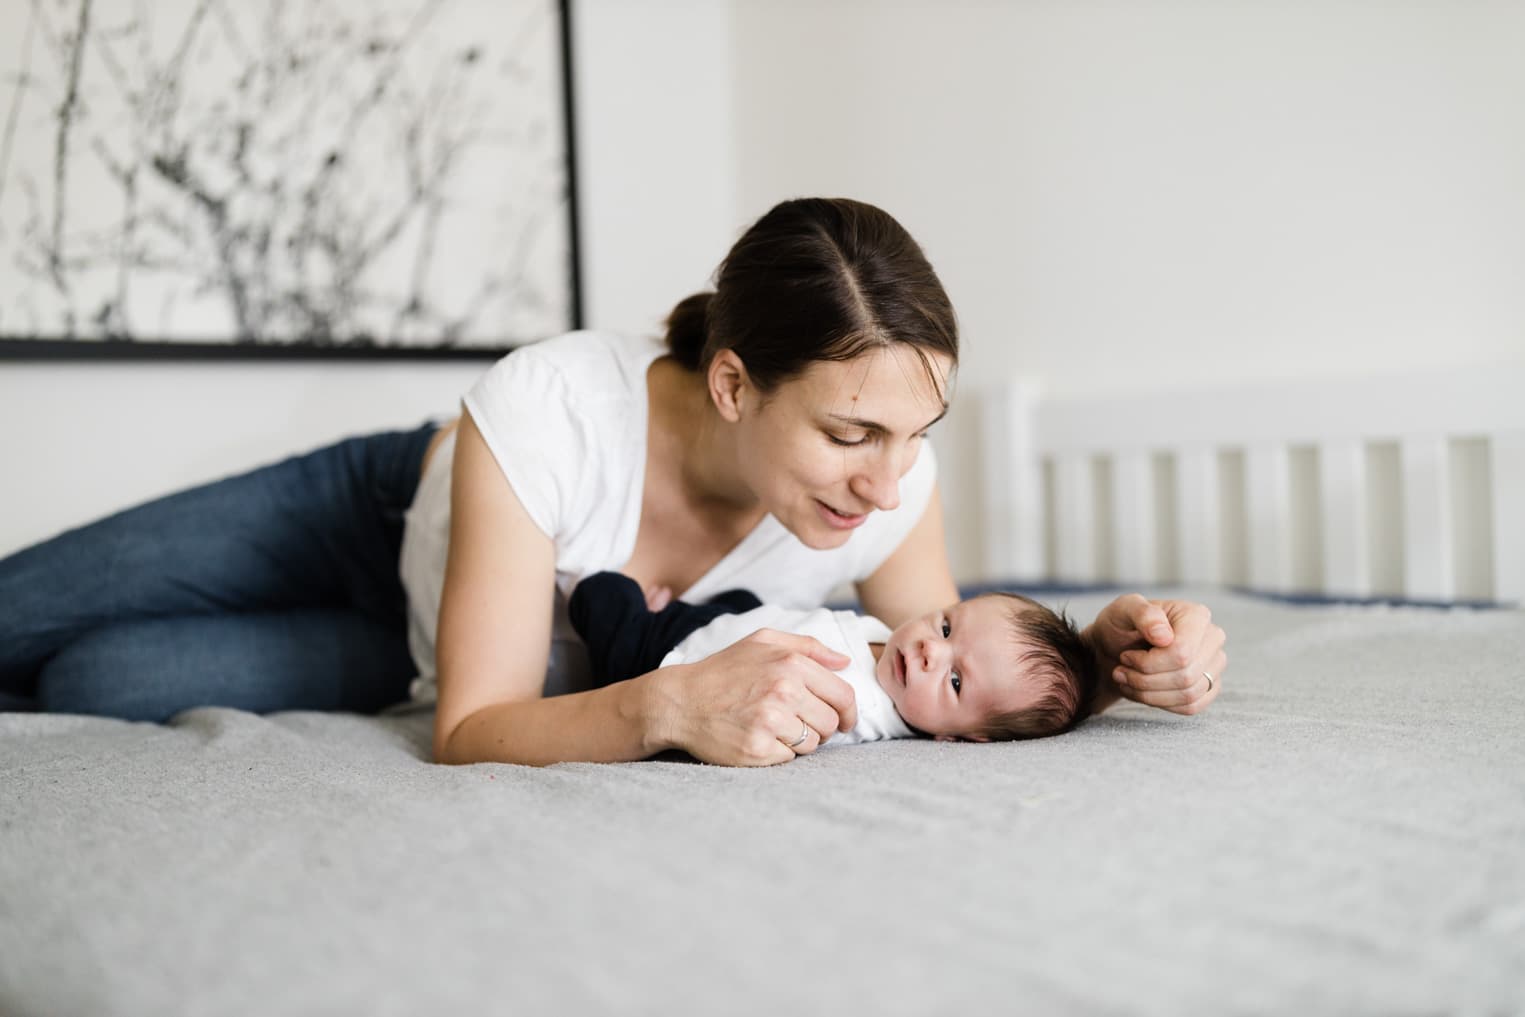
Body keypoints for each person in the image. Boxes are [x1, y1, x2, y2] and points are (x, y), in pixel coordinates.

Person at [0, 197, 1228, 766]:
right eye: (850, 433)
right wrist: (666, 708)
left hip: (433, 648)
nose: (885, 483)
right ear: (735, 383)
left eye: (916, 435)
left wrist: (1106, 654)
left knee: (89, 683)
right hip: (377, 516)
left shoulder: (894, 483)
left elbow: (958, 666)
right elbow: (473, 742)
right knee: (17, 612)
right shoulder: (553, 408)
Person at [568, 571, 1100, 747]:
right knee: (742, 597)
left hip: (671, 662)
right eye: (945, 626)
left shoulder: (859, 712)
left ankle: (641, 610)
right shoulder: (893, 650)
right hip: (733, 626)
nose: (930, 650)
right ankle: (680, 607)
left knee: (604, 593)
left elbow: (769, 716)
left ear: (961, 738)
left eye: (956, 681)